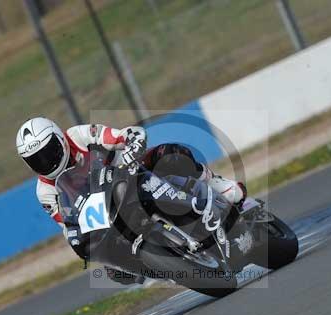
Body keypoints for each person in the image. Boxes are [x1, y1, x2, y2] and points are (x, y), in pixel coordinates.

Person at [16, 117, 246, 282]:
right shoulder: (45, 191)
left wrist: (131, 146)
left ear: (60, 139)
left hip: (128, 175)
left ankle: (216, 184)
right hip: (104, 212)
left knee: (168, 154)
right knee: (114, 271)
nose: (46, 162)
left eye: (49, 152)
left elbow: (122, 135)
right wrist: (83, 243)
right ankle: (161, 264)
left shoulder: (79, 135)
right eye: (37, 160)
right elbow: (67, 225)